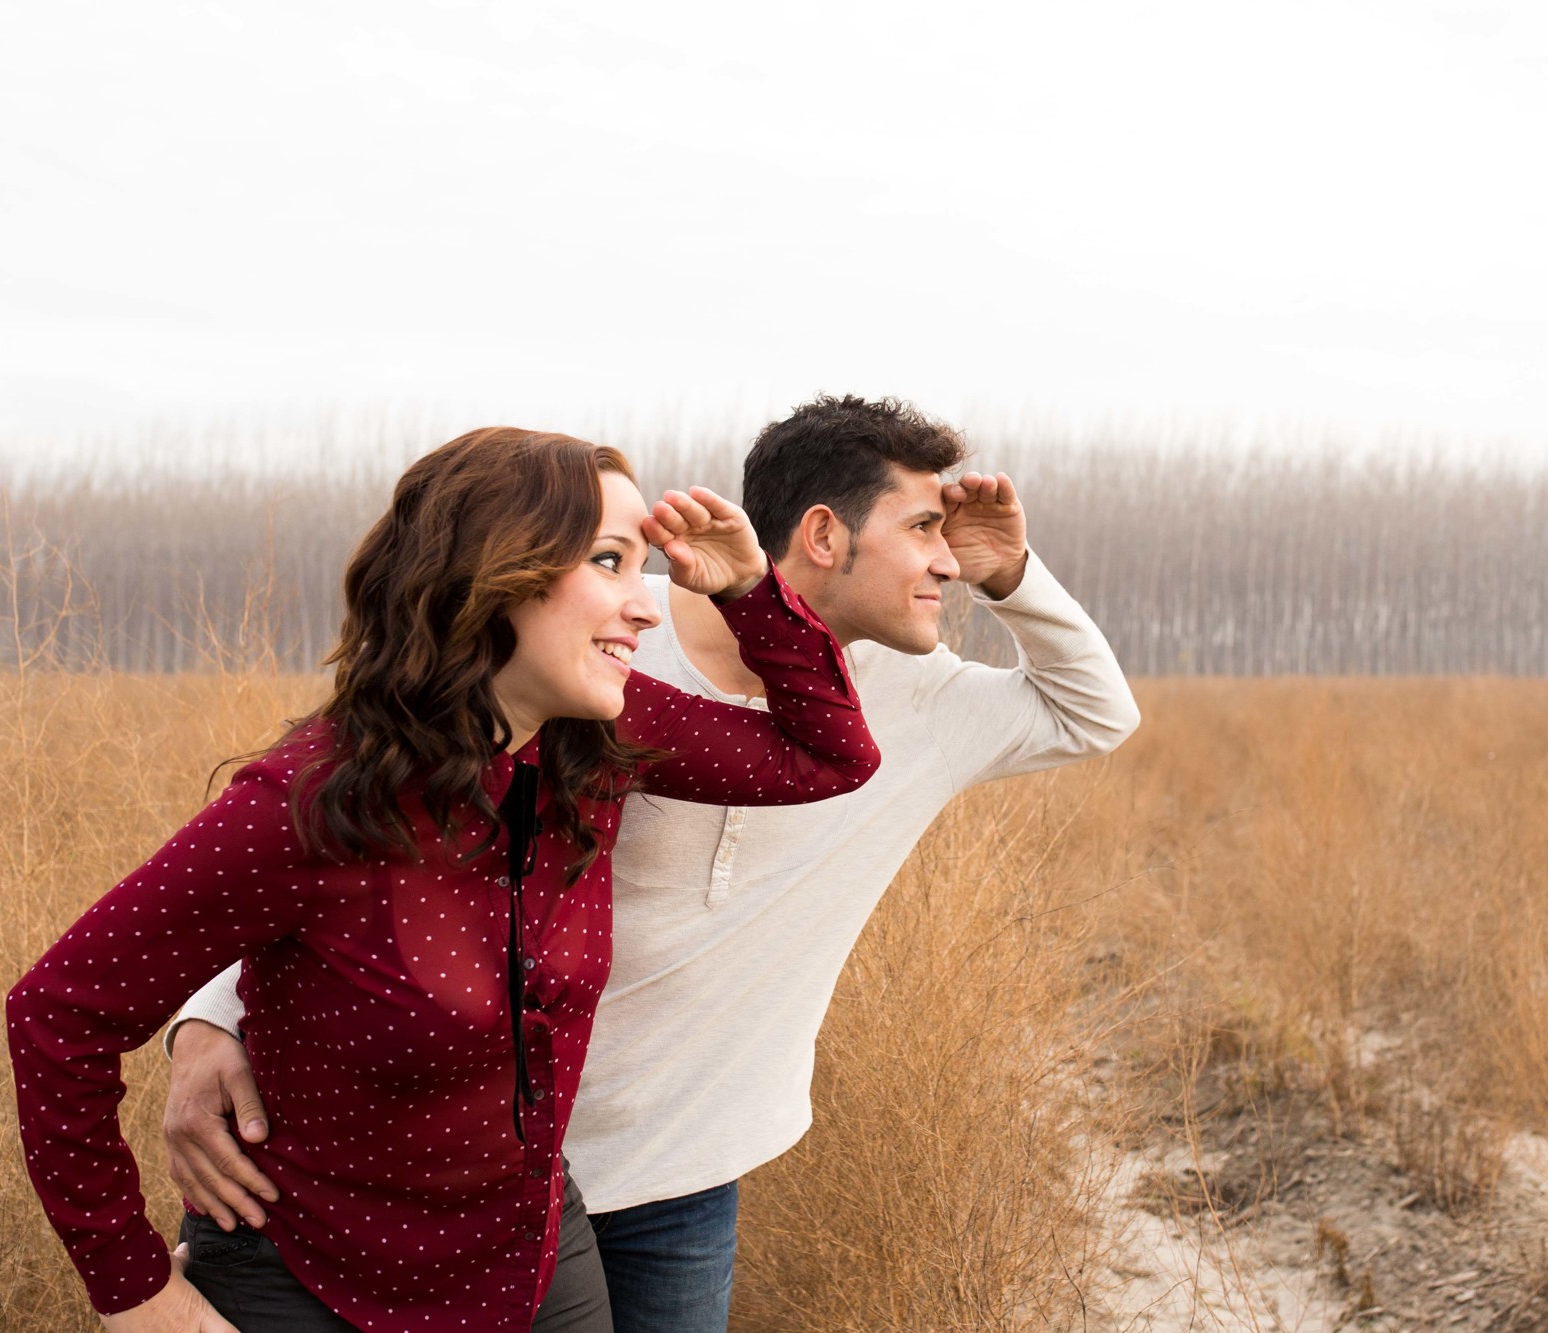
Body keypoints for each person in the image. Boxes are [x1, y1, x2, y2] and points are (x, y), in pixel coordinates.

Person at [165, 395, 1140, 1331]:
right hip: (448, 1156)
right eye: (924, 528)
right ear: (823, 534)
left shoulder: (925, 699)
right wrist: (210, 1020)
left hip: (680, 1173)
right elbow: (364, 820)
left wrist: (1013, 573)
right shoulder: (605, 640)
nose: (948, 561)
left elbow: (1094, 711)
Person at [7, 427, 879, 1333]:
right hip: (305, 1274)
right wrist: (137, 1293)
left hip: (532, 1259)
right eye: (611, 562)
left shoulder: (595, 741)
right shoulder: (307, 804)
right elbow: (56, 1014)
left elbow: (829, 757)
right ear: (499, 574)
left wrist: (748, 590)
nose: (647, 608)